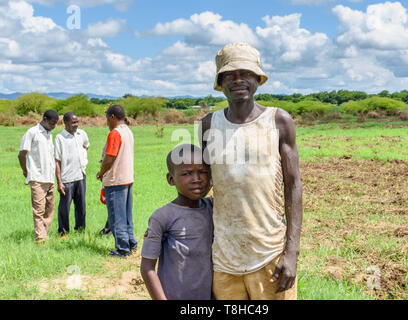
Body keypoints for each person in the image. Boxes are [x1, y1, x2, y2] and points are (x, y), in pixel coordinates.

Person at [200, 42, 303, 300]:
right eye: (230, 75)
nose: (238, 80)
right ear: (220, 82)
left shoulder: (279, 121)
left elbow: (293, 186)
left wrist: (291, 252)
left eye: (245, 73)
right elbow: (199, 183)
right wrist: (167, 220)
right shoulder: (208, 125)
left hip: (270, 254)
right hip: (225, 259)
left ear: (258, 79)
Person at [140, 144, 213, 300]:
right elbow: (147, 268)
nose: (197, 179)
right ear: (171, 179)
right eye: (187, 173)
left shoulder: (214, 209)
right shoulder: (162, 217)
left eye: (203, 172)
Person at [96, 105, 137, 257]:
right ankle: (131, 243)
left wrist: (101, 173)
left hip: (115, 180)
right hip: (127, 178)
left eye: (107, 117)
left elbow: (110, 158)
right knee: (126, 216)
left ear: (112, 117)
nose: (106, 121)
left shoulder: (115, 133)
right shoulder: (128, 131)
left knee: (116, 217)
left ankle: (122, 249)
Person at [18, 110, 59, 243]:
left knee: (49, 209)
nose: (54, 126)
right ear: (45, 119)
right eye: (52, 123)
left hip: (49, 177)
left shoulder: (49, 134)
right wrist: (26, 171)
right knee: (39, 210)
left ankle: (44, 234)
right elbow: (22, 154)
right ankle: (40, 238)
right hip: (37, 177)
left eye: (56, 124)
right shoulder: (32, 132)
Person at [54, 112, 90, 238]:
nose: (76, 125)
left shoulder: (82, 134)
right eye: (73, 122)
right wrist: (59, 182)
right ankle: (63, 231)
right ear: (65, 123)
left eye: (77, 122)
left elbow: (86, 146)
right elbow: (57, 161)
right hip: (66, 178)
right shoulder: (60, 138)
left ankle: (80, 230)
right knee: (65, 207)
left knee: (81, 206)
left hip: (80, 175)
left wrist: (82, 160)